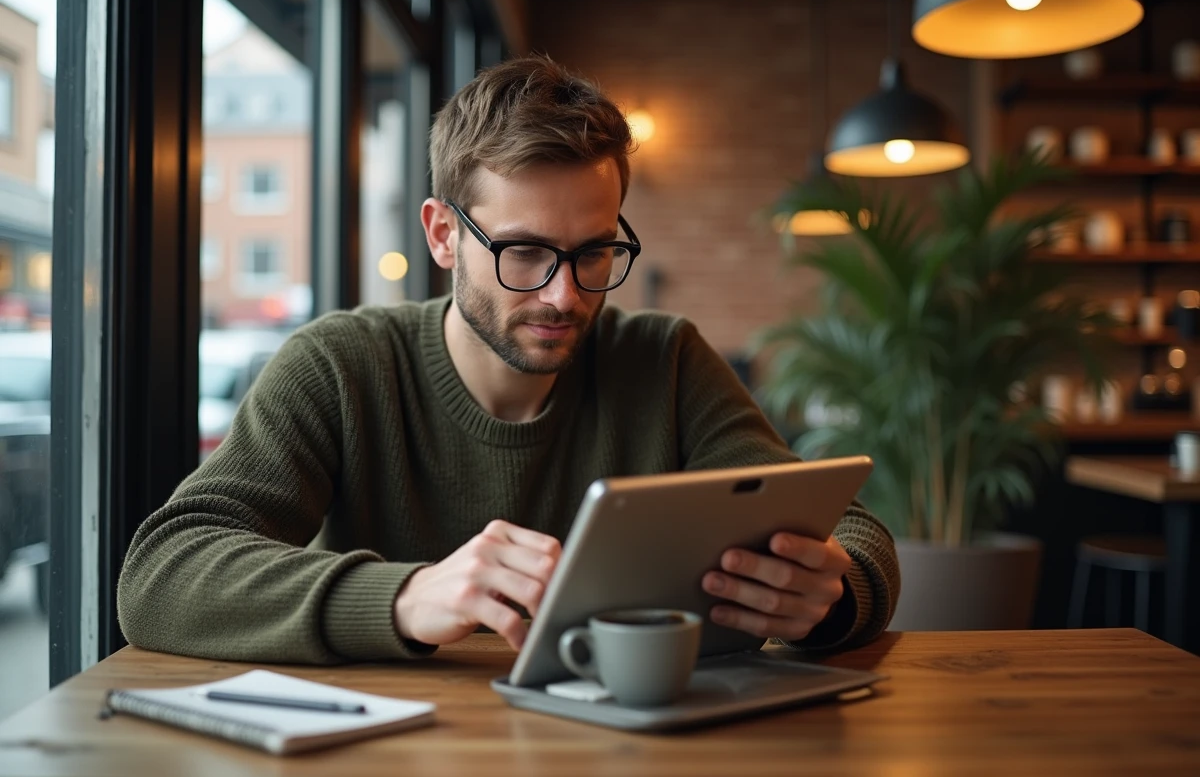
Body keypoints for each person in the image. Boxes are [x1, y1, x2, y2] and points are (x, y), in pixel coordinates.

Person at [117, 55, 899, 664]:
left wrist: (827, 596)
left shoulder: (664, 361)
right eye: (524, 252)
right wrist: (407, 597)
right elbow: (162, 573)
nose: (564, 295)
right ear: (442, 234)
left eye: (595, 252)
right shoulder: (340, 367)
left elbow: (855, 539)